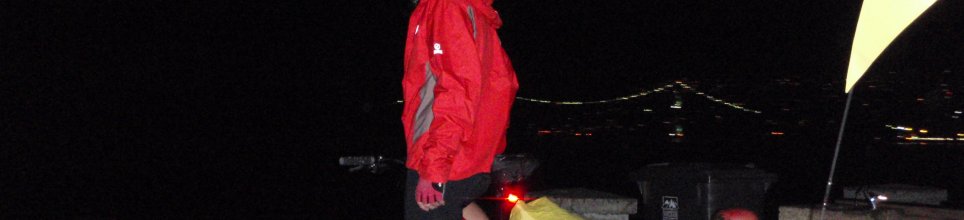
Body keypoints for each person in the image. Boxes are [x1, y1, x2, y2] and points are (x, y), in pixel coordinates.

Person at [400, 0, 519, 219]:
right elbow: (501, 84)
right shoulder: (468, 8)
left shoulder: (446, 7)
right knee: (459, 208)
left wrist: (434, 169)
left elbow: (456, 91)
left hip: (445, 161)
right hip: (467, 156)